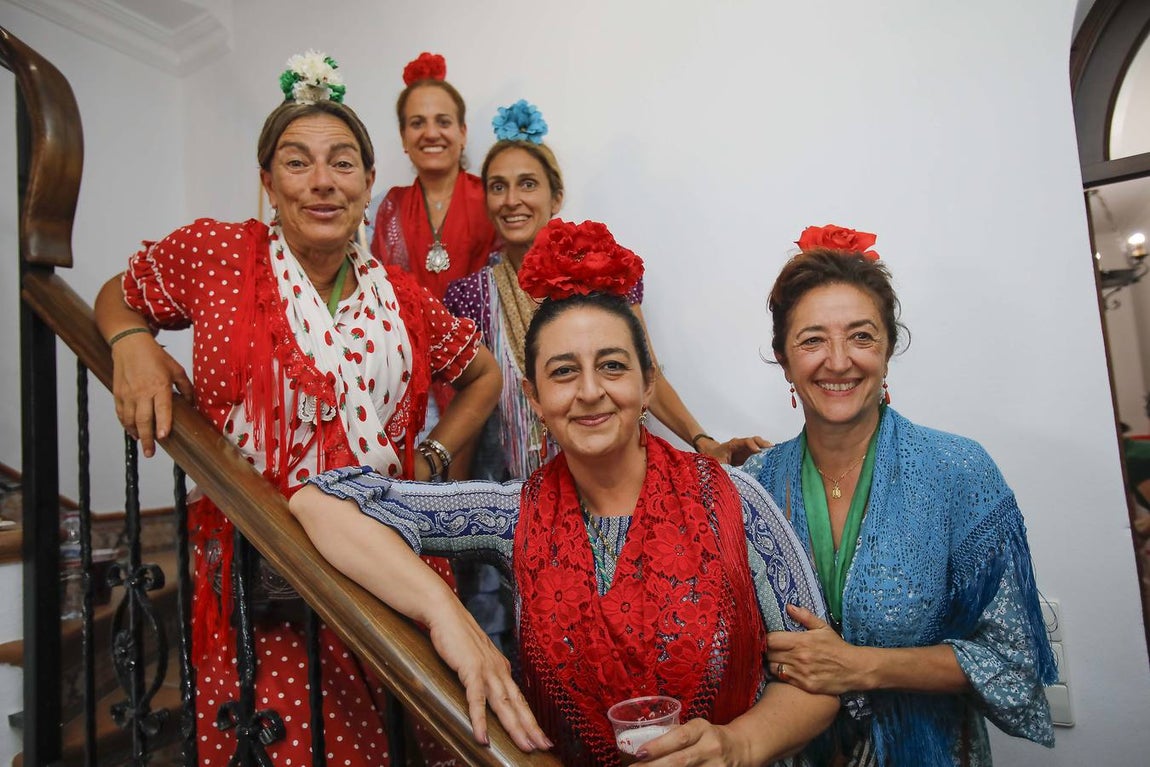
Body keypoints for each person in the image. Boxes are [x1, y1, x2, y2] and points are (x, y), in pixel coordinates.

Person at [289, 219, 840, 767]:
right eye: (563, 372)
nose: (590, 392)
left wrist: (737, 745)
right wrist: (447, 616)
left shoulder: (735, 500)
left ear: (647, 383)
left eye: (612, 366)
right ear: (533, 396)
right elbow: (318, 501)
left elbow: (818, 683)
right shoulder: (510, 515)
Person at [93, 51, 500, 766]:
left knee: (408, 742)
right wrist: (129, 341)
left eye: (342, 163)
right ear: (268, 183)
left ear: (369, 183)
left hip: (384, 559)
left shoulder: (404, 296)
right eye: (297, 162)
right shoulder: (216, 255)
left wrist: (431, 456)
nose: (321, 182)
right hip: (260, 564)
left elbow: (485, 376)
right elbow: (120, 294)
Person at [744, 224, 1057, 766]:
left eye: (861, 336)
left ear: (889, 348)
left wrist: (863, 665)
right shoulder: (755, 485)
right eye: (812, 339)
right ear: (784, 358)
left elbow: (1014, 659)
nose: (838, 361)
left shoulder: (957, 472)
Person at [445, 99, 768, 479]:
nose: (512, 200)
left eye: (527, 184)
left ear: (557, 196)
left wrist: (702, 441)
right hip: (523, 490)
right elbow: (471, 403)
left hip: (616, 477)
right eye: (498, 187)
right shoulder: (471, 295)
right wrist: (452, 495)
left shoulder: (600, 269)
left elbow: (645, 370)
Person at [369, 52, 497, 300]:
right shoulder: (383, 209)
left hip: (484, 338)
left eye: (443, 122)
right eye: (417, 123)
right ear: (404, 137)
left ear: (462, 133)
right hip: (405, 338)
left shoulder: (494, 200)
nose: (430, 133)